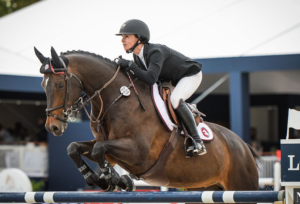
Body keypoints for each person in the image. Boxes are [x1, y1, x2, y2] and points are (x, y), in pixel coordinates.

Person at [116, 19, 206, 156]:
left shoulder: (155, 52)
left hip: (191, 75)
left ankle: (198, 142)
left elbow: (150, 79)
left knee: (176, 99)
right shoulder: (138, 57)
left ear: (139, 38)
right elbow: (142, 81)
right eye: (122, 37)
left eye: (126, 36)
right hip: (172, 80)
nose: (122, 40)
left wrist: (130, 66)